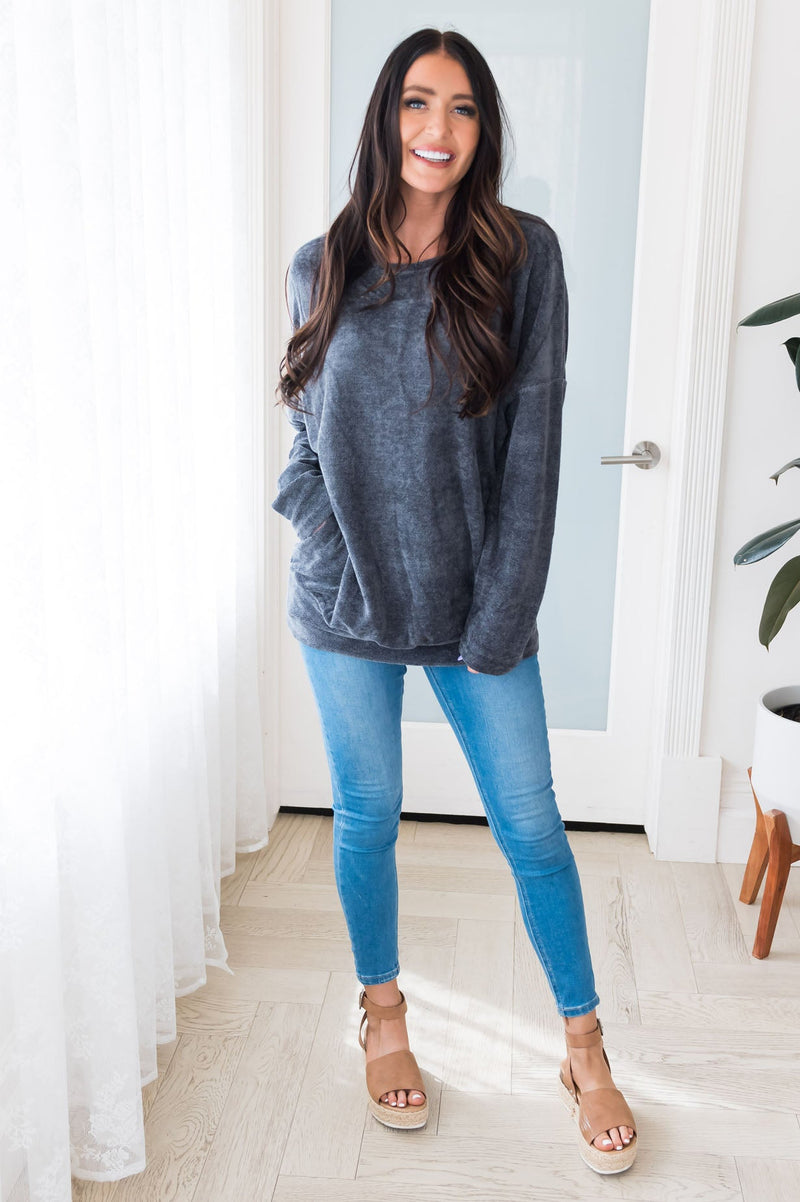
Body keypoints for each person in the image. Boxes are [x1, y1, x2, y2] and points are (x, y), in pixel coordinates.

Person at [272, 27, 637, 1175]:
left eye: (463, 107)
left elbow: (533, 451)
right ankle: (383, 1015)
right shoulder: (320, 263)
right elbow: (301, 441)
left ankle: (582, 1045)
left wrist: (498, 616)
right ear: (385, 117)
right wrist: (324, 538)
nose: (438, 128)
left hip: (474, 603)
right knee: (366, 815)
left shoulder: (522, 257)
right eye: (417, 102)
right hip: (343, 604)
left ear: (483, 130)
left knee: (529, 825)